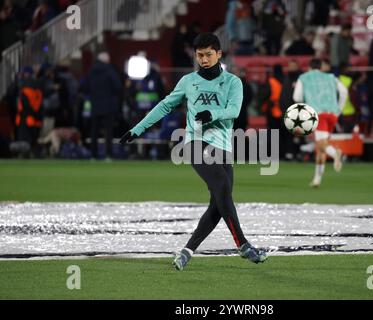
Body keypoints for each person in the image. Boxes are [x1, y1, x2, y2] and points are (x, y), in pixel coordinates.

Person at [120, 33, 267, 271]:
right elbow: (165, 105)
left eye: (209, 54)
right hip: (195, 144)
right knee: (222, 190)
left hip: (224, 148)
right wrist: (138, 129)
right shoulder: (189, 81)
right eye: (200, 55)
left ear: (219, 54)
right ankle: (243, 245)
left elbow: (234, 110)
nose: (204, 59)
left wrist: (212, 114)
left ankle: (187, 250)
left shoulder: (233, 82)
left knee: (219, 203)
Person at [293, 58, 348, 188]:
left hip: (318, 114)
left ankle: (336, 153)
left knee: (320, 144)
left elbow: (297, 97)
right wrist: (339, 109)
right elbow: (344, 91)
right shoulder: (331, 77)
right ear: (321, 66)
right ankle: (317, 179)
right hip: (333, 114)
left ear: (309, 67)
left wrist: (304, 109)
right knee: (320, 147)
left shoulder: (304, 77)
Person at [84, 52, 122, 160]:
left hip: (95, 104)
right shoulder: (109, 70)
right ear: (107, 60)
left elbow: (85, 87)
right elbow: (117, 86)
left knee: (94, 131)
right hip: (108, 105)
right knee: (108, 131)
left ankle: (93, 155)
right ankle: (108, 155)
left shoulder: (91, 71)